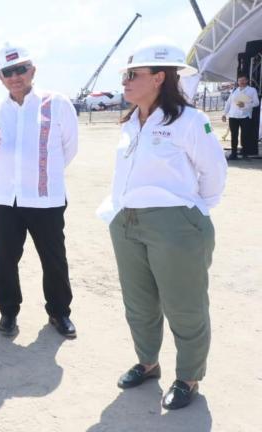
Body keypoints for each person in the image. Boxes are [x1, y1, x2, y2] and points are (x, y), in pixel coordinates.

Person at [96, 39, 227, 410]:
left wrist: (190, 212)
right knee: (138, 302)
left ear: (158, 77)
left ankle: (188, 377)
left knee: (184, 306)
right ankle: (147, 362)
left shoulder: (190, 120)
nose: (125, 81)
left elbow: (213, 174)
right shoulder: (131, 122)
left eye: (132, 75)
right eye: (125, 74)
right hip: (126, 222)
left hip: (174, 225)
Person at [0, 43, 78, 338]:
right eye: (8, 72)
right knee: (5, 259)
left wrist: (42, 176)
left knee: (54, 259)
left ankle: (59, 312)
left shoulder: (56, 103)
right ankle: (8, 312)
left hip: (44, 197)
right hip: (4, 200)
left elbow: (69, 148)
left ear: (32, 70)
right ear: (1, 78)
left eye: (21, 69)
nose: (15, 76)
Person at [222, 73, 259, 159]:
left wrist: (245, 106)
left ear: (247, 81)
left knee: (244, 136)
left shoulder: (252, 90)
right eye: (239, 80)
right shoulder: (235, 90)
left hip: (245, 116)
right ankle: (234, 153)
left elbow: (256, 103)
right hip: (233, 116)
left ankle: (244, 153)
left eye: (243, 80)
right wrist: (224, 114)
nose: (241, 82)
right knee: (233, 135)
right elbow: (228, 103)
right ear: (237, 81)